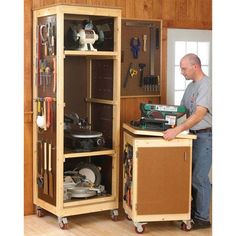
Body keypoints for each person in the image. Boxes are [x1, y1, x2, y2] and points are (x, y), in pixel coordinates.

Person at [163, 53, 212, 230]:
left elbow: (199, 113)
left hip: (205, 137)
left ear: (195, 66)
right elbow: (181, 110)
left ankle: (202, 218)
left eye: (184, 68)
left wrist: (177, 130)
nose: (182, 72)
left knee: (199, 178)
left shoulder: (206, 85)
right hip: (193, 136)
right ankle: (191, 212)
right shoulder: (191, 86)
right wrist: (160, 119)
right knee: (189, 176)